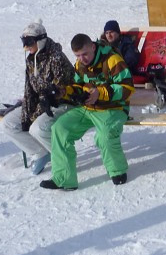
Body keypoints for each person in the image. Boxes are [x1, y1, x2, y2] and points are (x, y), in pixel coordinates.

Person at [40, 34, 134, 190]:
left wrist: (100, 93)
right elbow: (77, 86)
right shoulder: (80, 65)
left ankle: (117, 170)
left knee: (104, 135)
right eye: (77, 55)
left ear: (93, 46)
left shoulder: (112, 59)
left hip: (114, 108)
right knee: (59, 128)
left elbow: (128, 88)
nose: (81, 59)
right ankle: (63, 178)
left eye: (84, 54)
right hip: (88, 108)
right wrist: (61, 92)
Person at [1, 21, 75, 175]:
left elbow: (57, 92)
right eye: (23, 42)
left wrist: (34, 115)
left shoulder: (56, 58)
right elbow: (29, 89)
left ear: (40, 40)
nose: (26, 47)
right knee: (7, 123)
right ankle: (39, 152)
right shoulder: (31, 59)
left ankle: (62, 159)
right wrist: (26, 111)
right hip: (42, 102)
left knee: (37, 128)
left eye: (29, 42)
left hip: (62, 102)